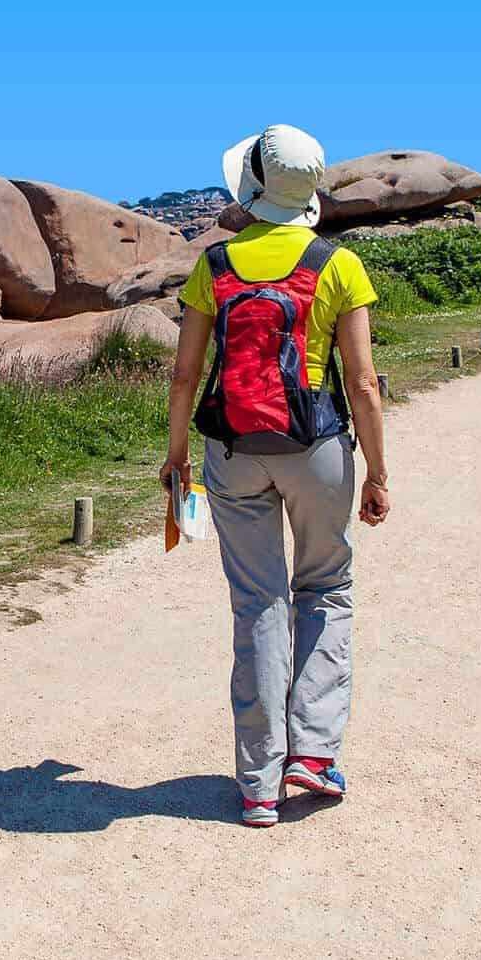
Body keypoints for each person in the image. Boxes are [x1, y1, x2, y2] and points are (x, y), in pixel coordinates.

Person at [159, 123, 389, 828]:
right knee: (324, 586)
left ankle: (259, 782)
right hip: (317, 447)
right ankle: (312, 754)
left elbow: (187, 372)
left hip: (233, 448)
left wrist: (177, 456)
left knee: (257, 602)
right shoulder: (337, 263)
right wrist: (377, 471)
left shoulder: (216, 262)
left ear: (254, 183)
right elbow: (365, 381)